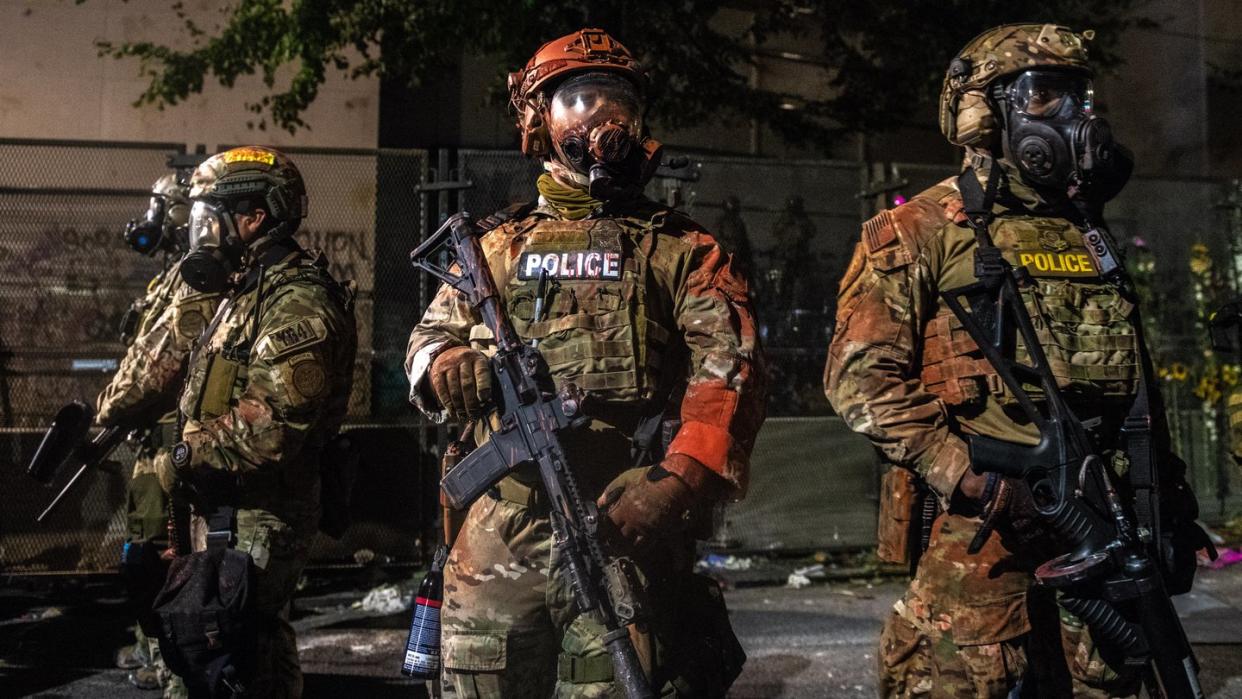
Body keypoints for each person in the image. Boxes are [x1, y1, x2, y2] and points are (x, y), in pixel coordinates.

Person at [825, 24, 1205, 697]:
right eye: (1042, 97)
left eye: (1078, 97)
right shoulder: (922, 230)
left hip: (1102, 524)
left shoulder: (1087, 231)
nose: (1072, 117)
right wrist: (973, 478)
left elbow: (1131, 377)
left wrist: (1165, 495)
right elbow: (859, 377)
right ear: (982, 113)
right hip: (985, 532)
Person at [405, 27, 766, 697]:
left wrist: (675, 483)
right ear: (539, 121)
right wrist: (445, 361)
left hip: (621, 522)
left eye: (617, 102)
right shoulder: (494, 245)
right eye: (580, 101)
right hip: (495, 532)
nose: (602, 120)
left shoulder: (681, 248)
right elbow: (426, 340)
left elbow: (731, 372)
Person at [157, 146, 357, 697]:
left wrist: (182, 456)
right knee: (233, 648)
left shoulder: (297, 301)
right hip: (228, 508)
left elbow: (273, 425)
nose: (201, 234)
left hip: (260, 514)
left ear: (253, 218)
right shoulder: (245, 290)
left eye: (210, 218)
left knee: (235, 654)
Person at [97, 172, 219, 696]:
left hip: (176, 436)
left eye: (165, 209)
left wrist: (112, 406)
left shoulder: (200, 277)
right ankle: (160, 652)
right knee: (147, 551)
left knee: (167, 556)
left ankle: (174, 662)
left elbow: (160, 359)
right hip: (154, 435)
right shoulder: (174, 276)